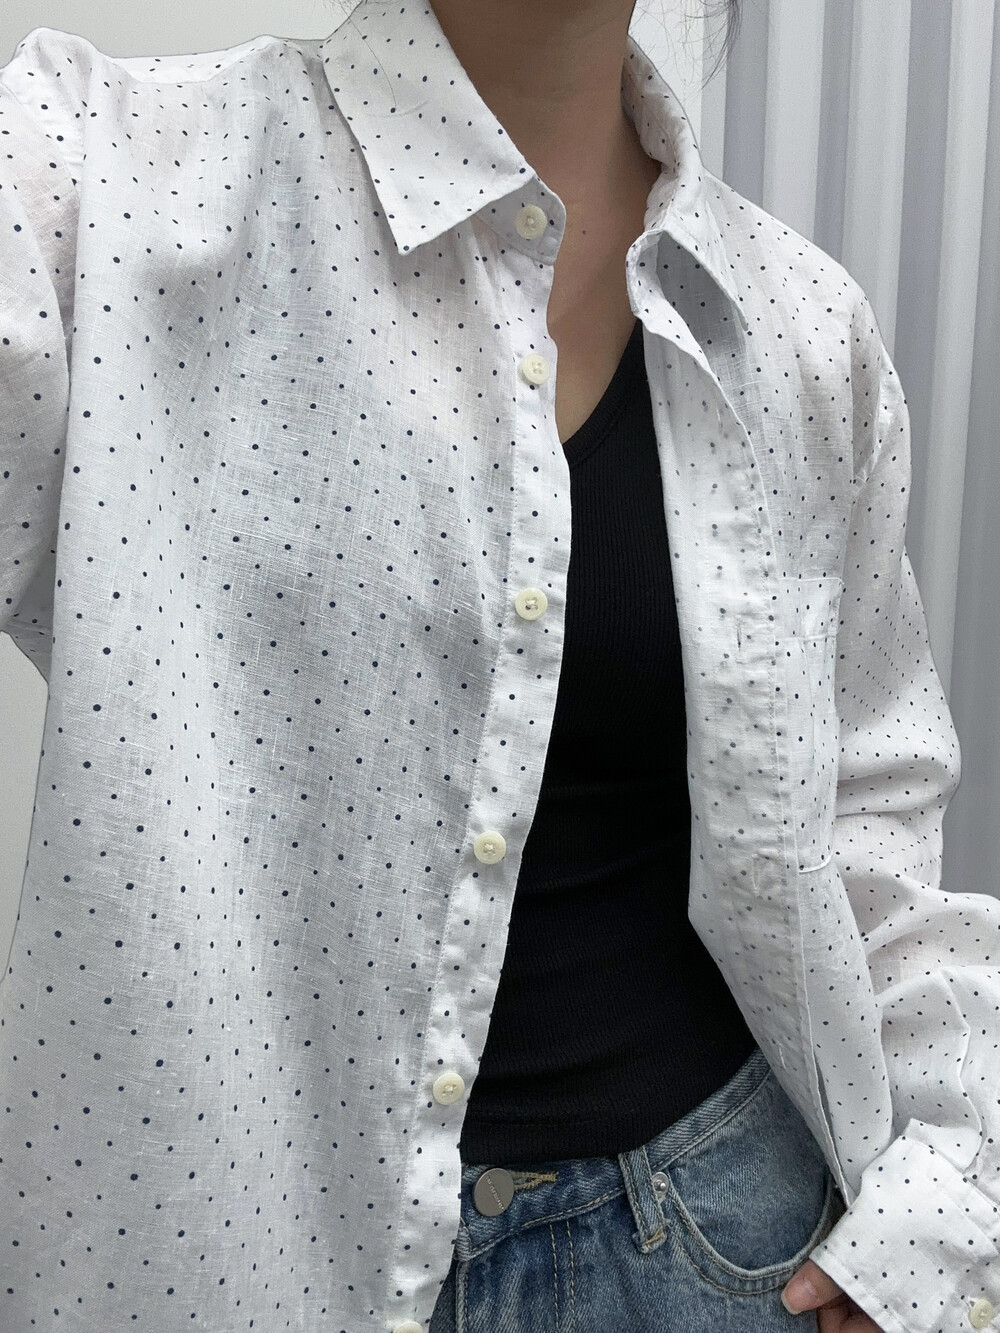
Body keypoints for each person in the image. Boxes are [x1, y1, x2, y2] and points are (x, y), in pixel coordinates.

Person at [0, 2, 994, 1331]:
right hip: (262, 1265)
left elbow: (868, 821)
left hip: (726, 1253)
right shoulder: (99, 186)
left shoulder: (800, 335)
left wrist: (945, 1199)